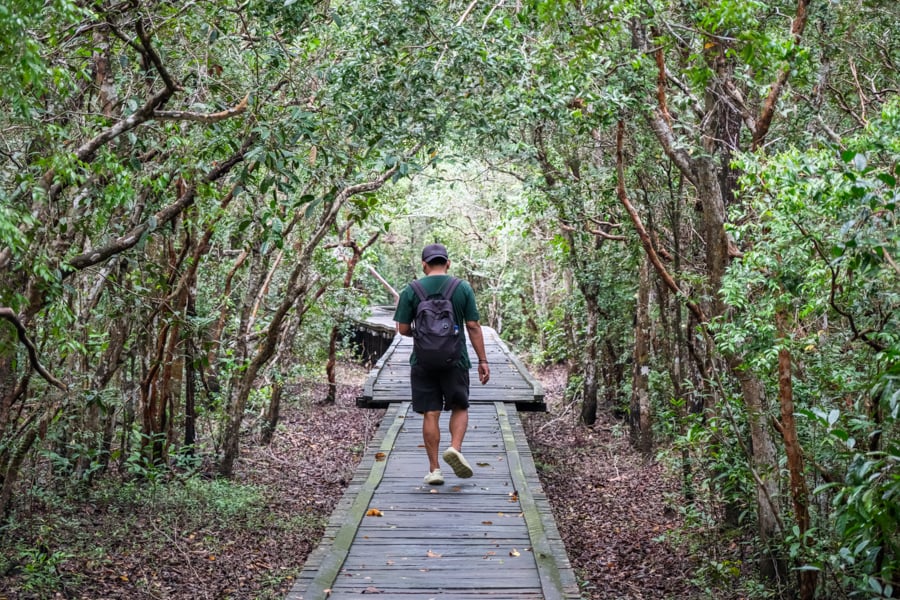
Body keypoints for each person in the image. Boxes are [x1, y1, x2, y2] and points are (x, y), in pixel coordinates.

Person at [394, 243, 491, 485]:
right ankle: (455, 448)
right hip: (456, 359)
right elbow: (473, 326)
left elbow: (403, 329)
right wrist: (483, 360)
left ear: (424, 265)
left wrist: (424, 335)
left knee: (431, 412)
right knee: (459, 406)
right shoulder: (462, 288)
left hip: (423, 361)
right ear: (447, 263)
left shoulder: (411, 290)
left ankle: (435, 469)